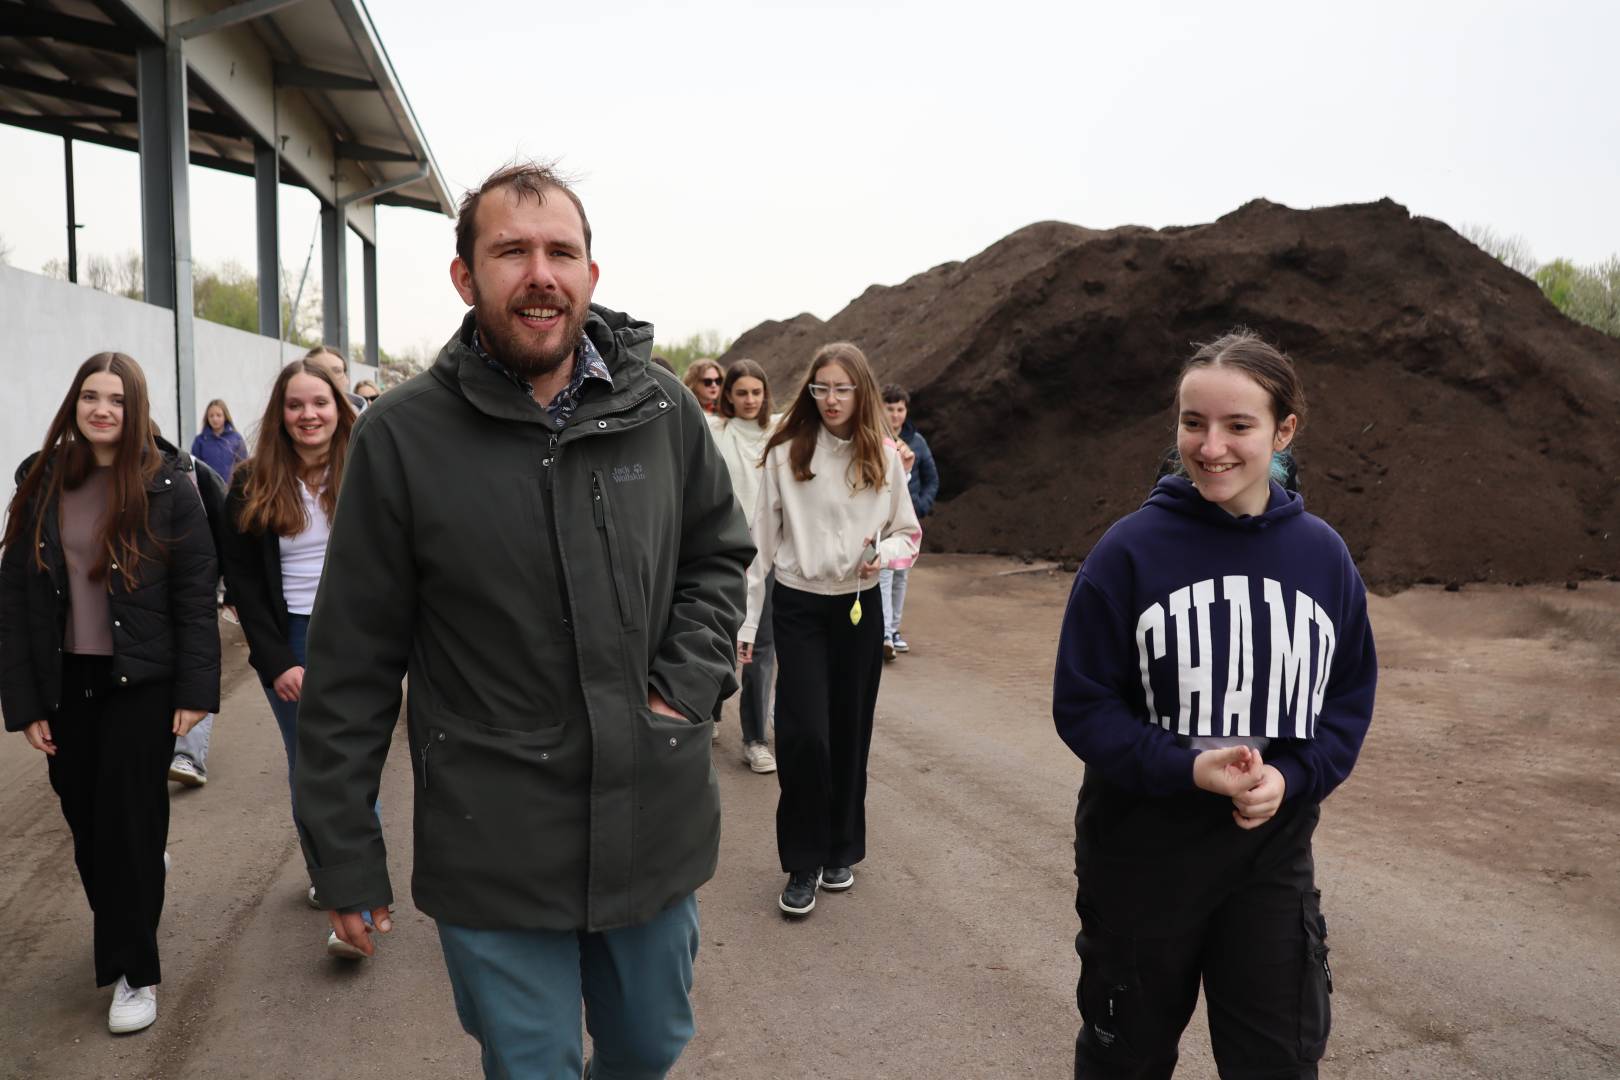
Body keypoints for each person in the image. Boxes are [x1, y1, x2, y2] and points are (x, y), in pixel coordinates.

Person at [290, 161, 752, 1079]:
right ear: (465, 277)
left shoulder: (661, 410)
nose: (541, 274)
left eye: (561, 253)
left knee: (649, 1046)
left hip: (650, 819)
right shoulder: (403, 437)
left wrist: (682, 692)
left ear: (591, 274)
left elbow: (716, 557)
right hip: (492, 837)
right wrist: (344, 854)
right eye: (511, 252)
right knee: (532, 1065)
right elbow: (352, 662)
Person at [1052, 330, 1377, 1079]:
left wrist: (1291, 778)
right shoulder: (1128, 553)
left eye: (1238, 425)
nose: (1211, 446)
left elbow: (1347, 700)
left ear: (1283, 431)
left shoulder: (1322, 557)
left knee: (1277, 1061)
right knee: (1125, 1062)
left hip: (1269, 861)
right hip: (1139, 862)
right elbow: (1084, 705)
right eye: (1193, 422)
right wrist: (1187, 769)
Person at [1, 352, 219, 1036]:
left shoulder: (168, 485)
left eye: (117, 400)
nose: (102, 409)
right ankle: (137, 888)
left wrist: (196, 692)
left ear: (136, 410)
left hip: (141, 683)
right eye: (91, 396)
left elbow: (195, 594)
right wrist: (24, 703)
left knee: (127, 823)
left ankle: (135, 972)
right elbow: (15, 599)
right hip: (66, 682)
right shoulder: (40, 481)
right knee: (89, 825)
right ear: (75, 403)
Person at [738, 341, 919, 918]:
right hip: (799, 606)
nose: (831, 399)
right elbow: (759, 544)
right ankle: (802, 861)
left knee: (848, 731)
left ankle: (841, 848)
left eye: (842, 388)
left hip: (858, 609)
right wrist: (747, 621)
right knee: (804, 735)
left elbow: (908, 534)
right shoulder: (786, 452)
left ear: (861, 391)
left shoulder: (884, 457)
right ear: (810, 392)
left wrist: (883, 555)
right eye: (822, 388)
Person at [218, 358, 365, 960]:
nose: (309, 415)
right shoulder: (250, 482)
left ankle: (355, 899)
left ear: (339, 408)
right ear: (280, 414)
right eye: (296, 404)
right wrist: (276, 660)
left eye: (320, 403)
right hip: (293, 638)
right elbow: (244, 586)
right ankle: (329, 873)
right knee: (308, 766)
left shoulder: (369, 466)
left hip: (357, 635)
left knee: (352, 764)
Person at [708, 358, 779, 774]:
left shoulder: (781, 432)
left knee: (760, 648)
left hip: (767, 554)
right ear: (729, 397)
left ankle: (755, 740)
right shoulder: (716, 431)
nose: (750, 400)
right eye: (742, 393)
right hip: (725, 551)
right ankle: (708, 709)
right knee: (718, 636)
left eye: (756, 392)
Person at [878, 384, 938, 660]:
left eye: (900, 409)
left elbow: (931, 479)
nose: (895, 415)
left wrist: (921, 507)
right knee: (884, 572)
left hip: (907, 519)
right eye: (889, 409)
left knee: (901, 574)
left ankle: (893, 629)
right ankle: (884, 633)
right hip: (881, 521)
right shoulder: (874, 439)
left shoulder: (918, 443)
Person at [189, 398, 248, 485]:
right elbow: (194, 468)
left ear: (225, 416)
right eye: (211, 416)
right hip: (208, 488)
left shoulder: (236, 439)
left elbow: (243, 466)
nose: (215, 419)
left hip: (230, 488)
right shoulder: (200, 441)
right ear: (207, 418)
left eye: (218, 415)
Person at [303, 345, 369, 414]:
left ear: (346, 379)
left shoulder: (369, 418)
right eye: (320, 371)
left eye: (337, 371)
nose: (330, 377)